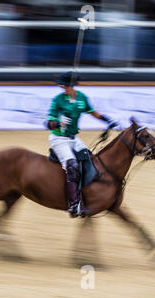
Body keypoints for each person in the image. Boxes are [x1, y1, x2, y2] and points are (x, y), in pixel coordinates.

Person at [46, 72, 118, 217]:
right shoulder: (58, 100)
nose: (63, 88)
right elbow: (48, 123)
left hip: (74, 138)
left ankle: (88, 193)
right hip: (59, 139)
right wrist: (59, 123)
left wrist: (107, 120)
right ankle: (73, 205)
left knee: (89, 159)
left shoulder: (81, 98)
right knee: (72, 166)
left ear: (71, 86)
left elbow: (92, 112)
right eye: (62, 86)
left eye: (65, 86)